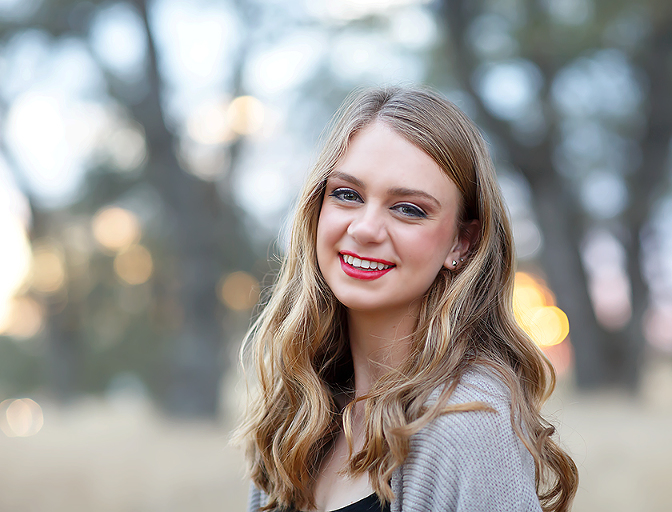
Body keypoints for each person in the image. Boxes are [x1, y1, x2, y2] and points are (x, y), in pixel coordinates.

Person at [233, 86, 578, 512]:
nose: (365, 229)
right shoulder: (298, 410)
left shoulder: (468, 426)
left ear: (462, 243)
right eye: (347, 194)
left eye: (409, 209)